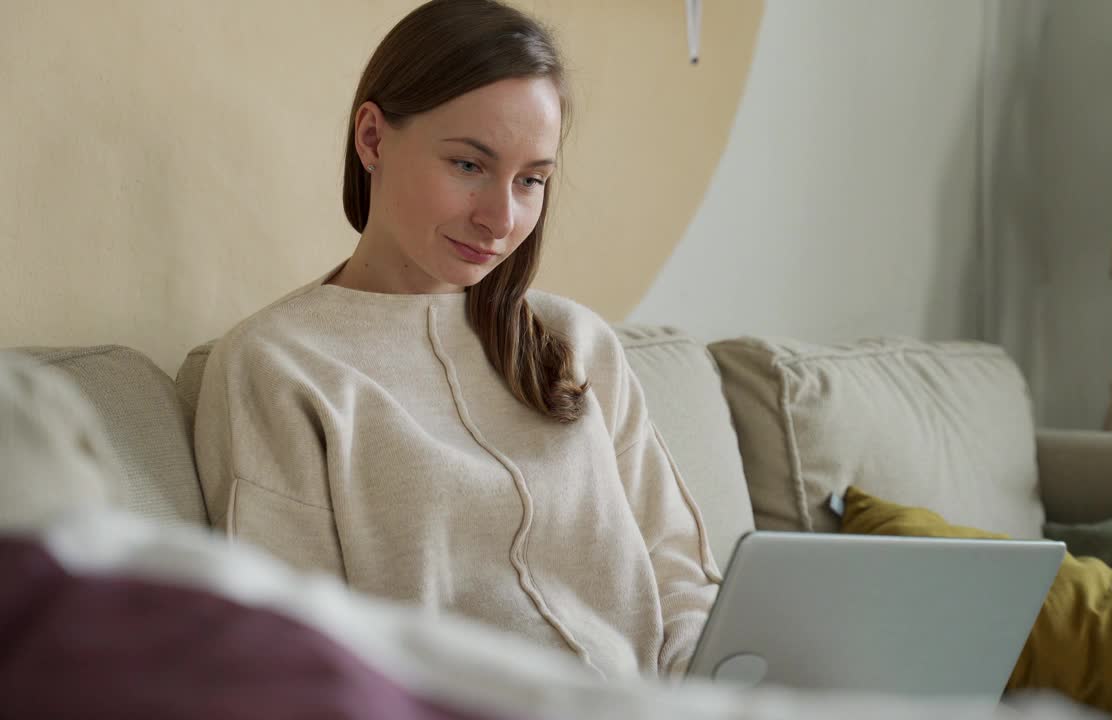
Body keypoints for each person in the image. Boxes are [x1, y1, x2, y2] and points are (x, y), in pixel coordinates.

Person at [193, 0, 720, 681]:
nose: (501, 218)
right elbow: (296, 649)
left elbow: (682, 583)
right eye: (469, 165)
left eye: (531, 180)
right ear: (373, 139)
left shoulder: (577, 345)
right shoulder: (277, 365)